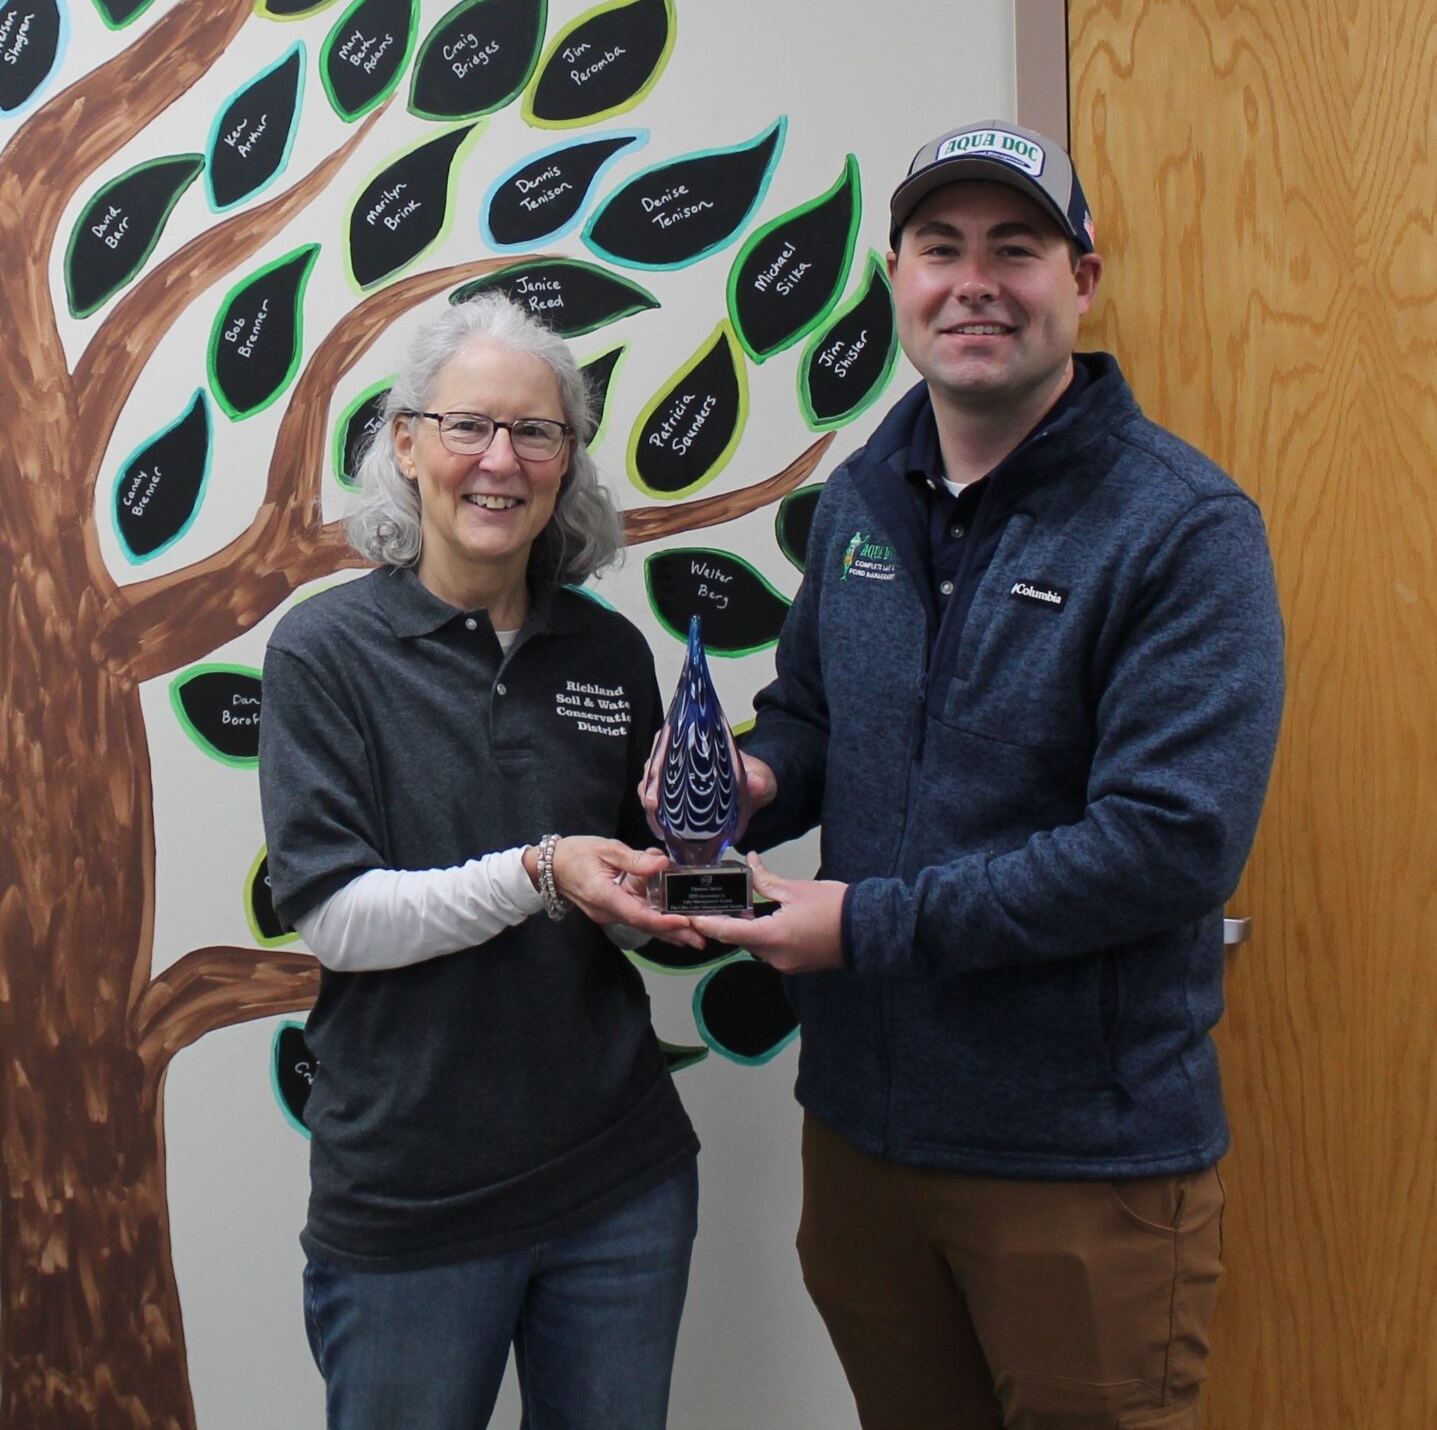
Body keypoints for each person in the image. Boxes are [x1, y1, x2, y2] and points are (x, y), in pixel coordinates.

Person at [681, 120, 1285, 1428]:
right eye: (941, 249)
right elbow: (813, 715)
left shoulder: (1183, 529)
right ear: (897, 278)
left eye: (1016, 249)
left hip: (1077, 1168)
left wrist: (863, 925)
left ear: (1082, 280)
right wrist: (757, 778)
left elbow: (1169, 844)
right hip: (864, 1139)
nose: (974, 283)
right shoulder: (861, 500)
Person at [258, 292, 705, 1430]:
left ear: (567, 463)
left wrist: (688, 882)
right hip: (412, 1203)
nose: (500, 461)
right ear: (407, 444)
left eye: (536, 432)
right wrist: (543, 871)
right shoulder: (324, 651)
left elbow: (623, 889)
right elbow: (337, 916)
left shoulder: (607, 650)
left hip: (621, 1183)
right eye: (469, 426)